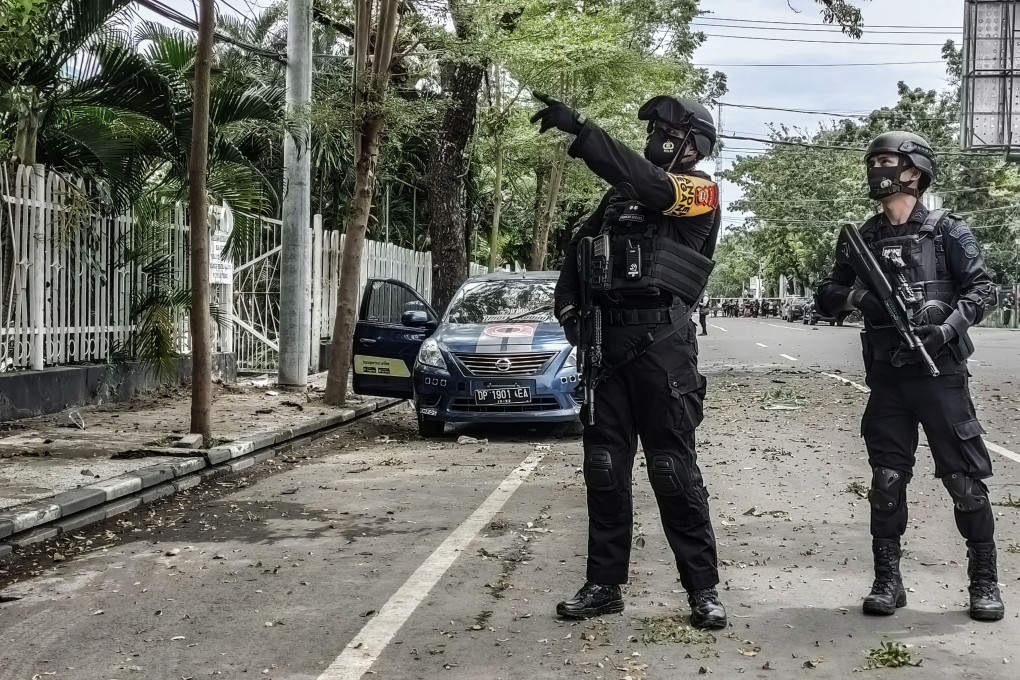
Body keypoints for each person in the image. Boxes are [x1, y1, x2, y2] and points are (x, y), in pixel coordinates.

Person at [531, 92, 727, 629]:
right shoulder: (615, 200)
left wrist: (584, 132)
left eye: (664, 128)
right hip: (606, 350)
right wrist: (573, 317)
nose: (654, 135)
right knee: (605, 471)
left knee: (673, 471)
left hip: (663, 351)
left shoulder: (697, 192)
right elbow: (579, 255)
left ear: (691, 141)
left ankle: (702, 590)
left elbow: (651, 184)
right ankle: (604, 584)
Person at [816, 131, 1003, 621]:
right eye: (873, 161)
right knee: (886, 478)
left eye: (887, 161)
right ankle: (887, 580)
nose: (877, 168)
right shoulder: (863, 238)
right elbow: (827, 292)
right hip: (888, 375)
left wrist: (946, 328)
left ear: (914, 172)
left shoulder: (947, 231)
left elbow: (983, 291)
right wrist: (861, 298)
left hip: (941, 373)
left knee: (964, 481)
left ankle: (984, 582)